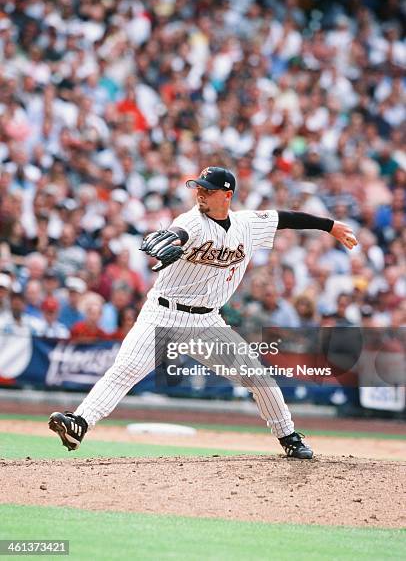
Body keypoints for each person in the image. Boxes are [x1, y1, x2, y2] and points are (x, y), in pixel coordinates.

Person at [49, 167, 358, 458]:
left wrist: (329, 226)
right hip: (162, 315)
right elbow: (181, 231)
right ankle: (80, 423)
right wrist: (175, 238)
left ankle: (289, 437)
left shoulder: (247, 224)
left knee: (256, 376)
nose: (200, 194)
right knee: (125, 370)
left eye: (208, 190)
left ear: (227, 195)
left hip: (206, 321)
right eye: (198, 188)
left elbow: (286, 217)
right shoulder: (192, 221)